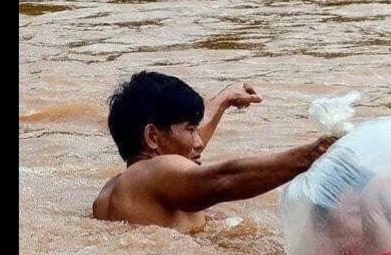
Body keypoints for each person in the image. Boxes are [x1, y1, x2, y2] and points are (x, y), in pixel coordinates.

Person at [92, 71, 336, 233]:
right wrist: (314, 153)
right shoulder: (152, 173)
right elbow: (223, 180)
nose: (198, 142)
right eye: (190, 129)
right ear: (152, 137)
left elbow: (185, 156)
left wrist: (225, 100)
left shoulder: (121, 185)